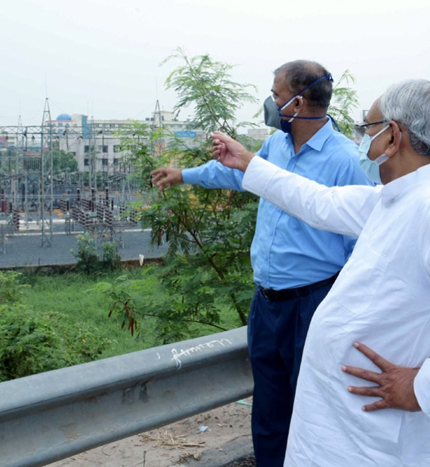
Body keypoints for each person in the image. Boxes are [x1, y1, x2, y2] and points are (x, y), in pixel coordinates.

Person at [210, 79, 430, 466]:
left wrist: (427, 386)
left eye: (367, 129)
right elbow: (318, 201)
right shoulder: (396, 198)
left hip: (385, 438)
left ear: (393, 136)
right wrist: (248, 162)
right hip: (352, 429)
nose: (362, 142)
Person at [151, 60, 370, 466]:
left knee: (313, 410)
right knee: (269, 410)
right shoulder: (275, 147)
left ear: (298, 103)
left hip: (314, 303)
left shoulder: (347, 160)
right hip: (266, 302)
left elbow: (363, 245)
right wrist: (184, 175)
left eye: (275, 95)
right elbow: (237, 174)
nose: (270, 104)